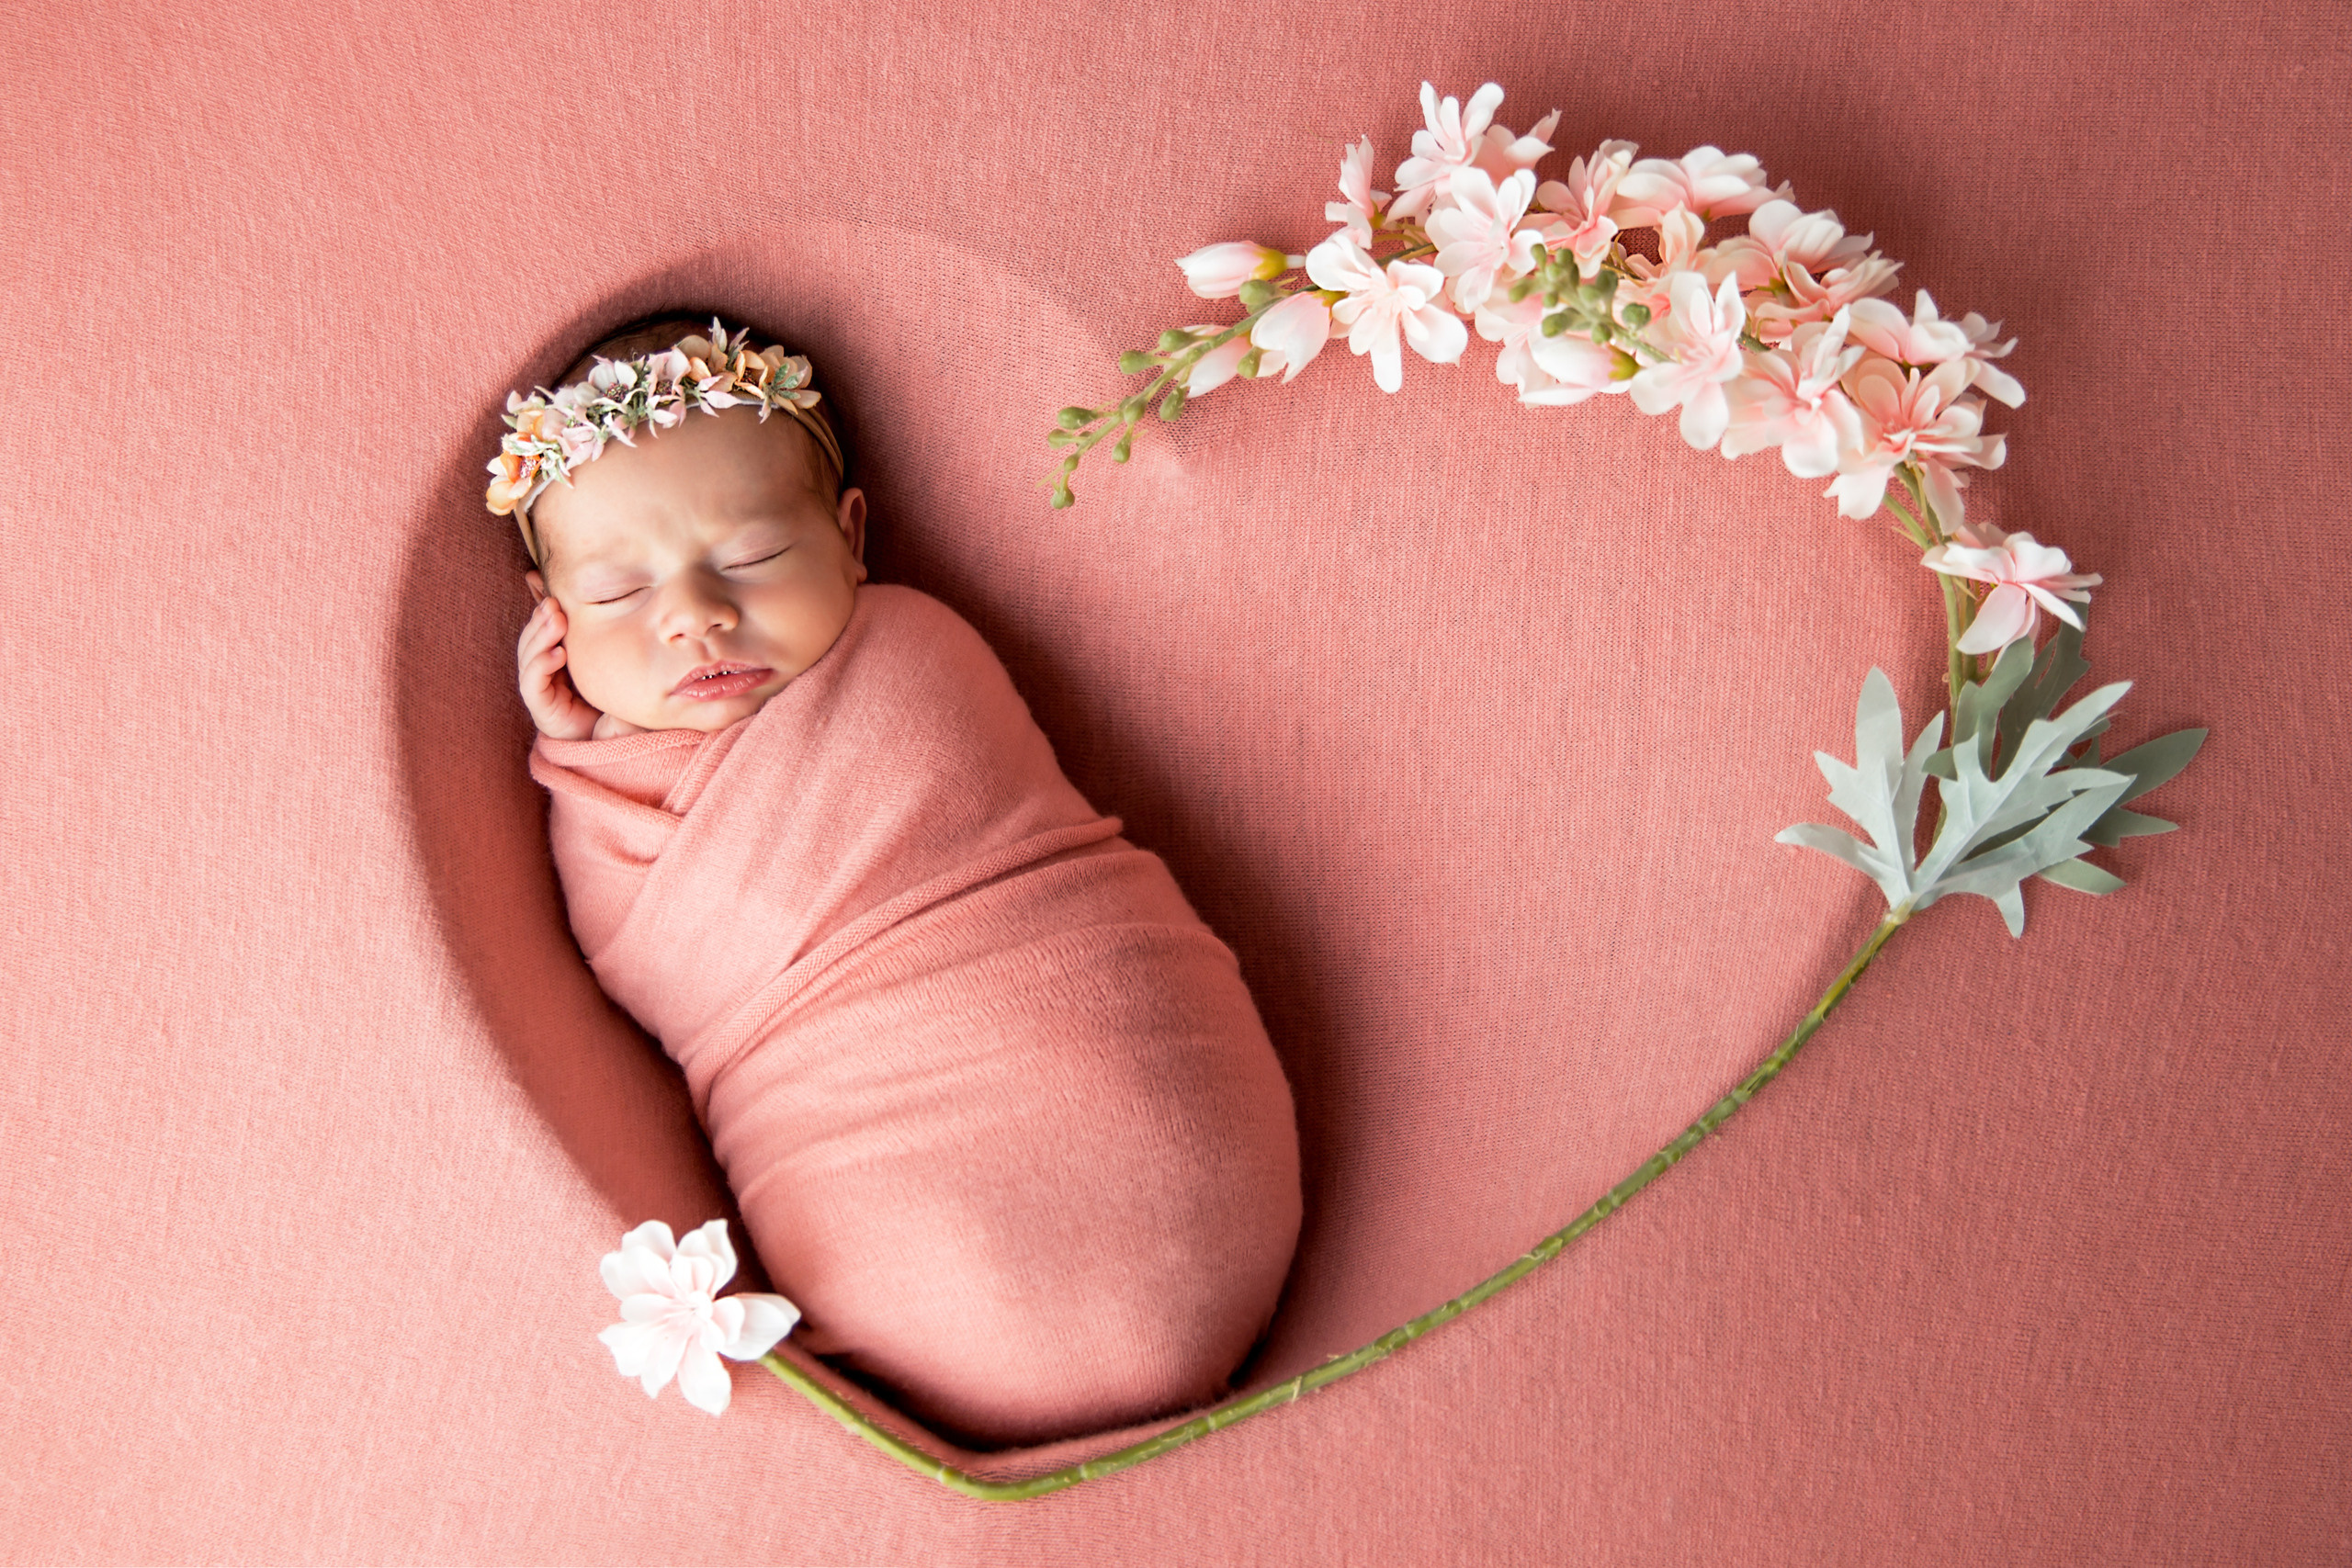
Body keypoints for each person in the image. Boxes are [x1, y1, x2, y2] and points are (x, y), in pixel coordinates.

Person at [494, 315, 1302, 1446]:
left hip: (1109, 1053)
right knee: (935, 1251)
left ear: (850, 536)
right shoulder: (607, 790)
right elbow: (647, 961)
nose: (695, 616)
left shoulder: (917, 656)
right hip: (869, 1145)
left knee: (1139, 1131)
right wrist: (585, 760)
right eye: (619, 595)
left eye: (754, 557)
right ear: (554, 617)